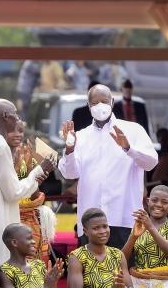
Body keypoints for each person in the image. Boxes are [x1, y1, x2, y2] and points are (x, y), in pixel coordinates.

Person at [59, 84, 157, 249]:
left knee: (125, 272)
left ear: (112, 102)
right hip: (91, 222)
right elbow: (69, 173)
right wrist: (69, 148)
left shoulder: (133, 130)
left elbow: (151, 162)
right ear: (89, 106)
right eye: (95, 103)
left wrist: (129, 149)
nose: (100, 106)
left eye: (104, 101)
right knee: (92, 273)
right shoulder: (80, 137)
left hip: (124, 217)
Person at [0, 99, 54, 269]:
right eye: (15, 113)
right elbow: (12, 192)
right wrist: (39, 170)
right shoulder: (0, 146)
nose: (17, 117)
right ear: (6, 116)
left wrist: (33, 180)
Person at [5, 121, 56, 262]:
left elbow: (34, 193)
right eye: (13, 131)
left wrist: (35, 178)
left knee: (34, 257)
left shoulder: (29, 152)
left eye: (21, 131)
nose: (18, 135)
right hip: (8, 211)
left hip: (31, 214)